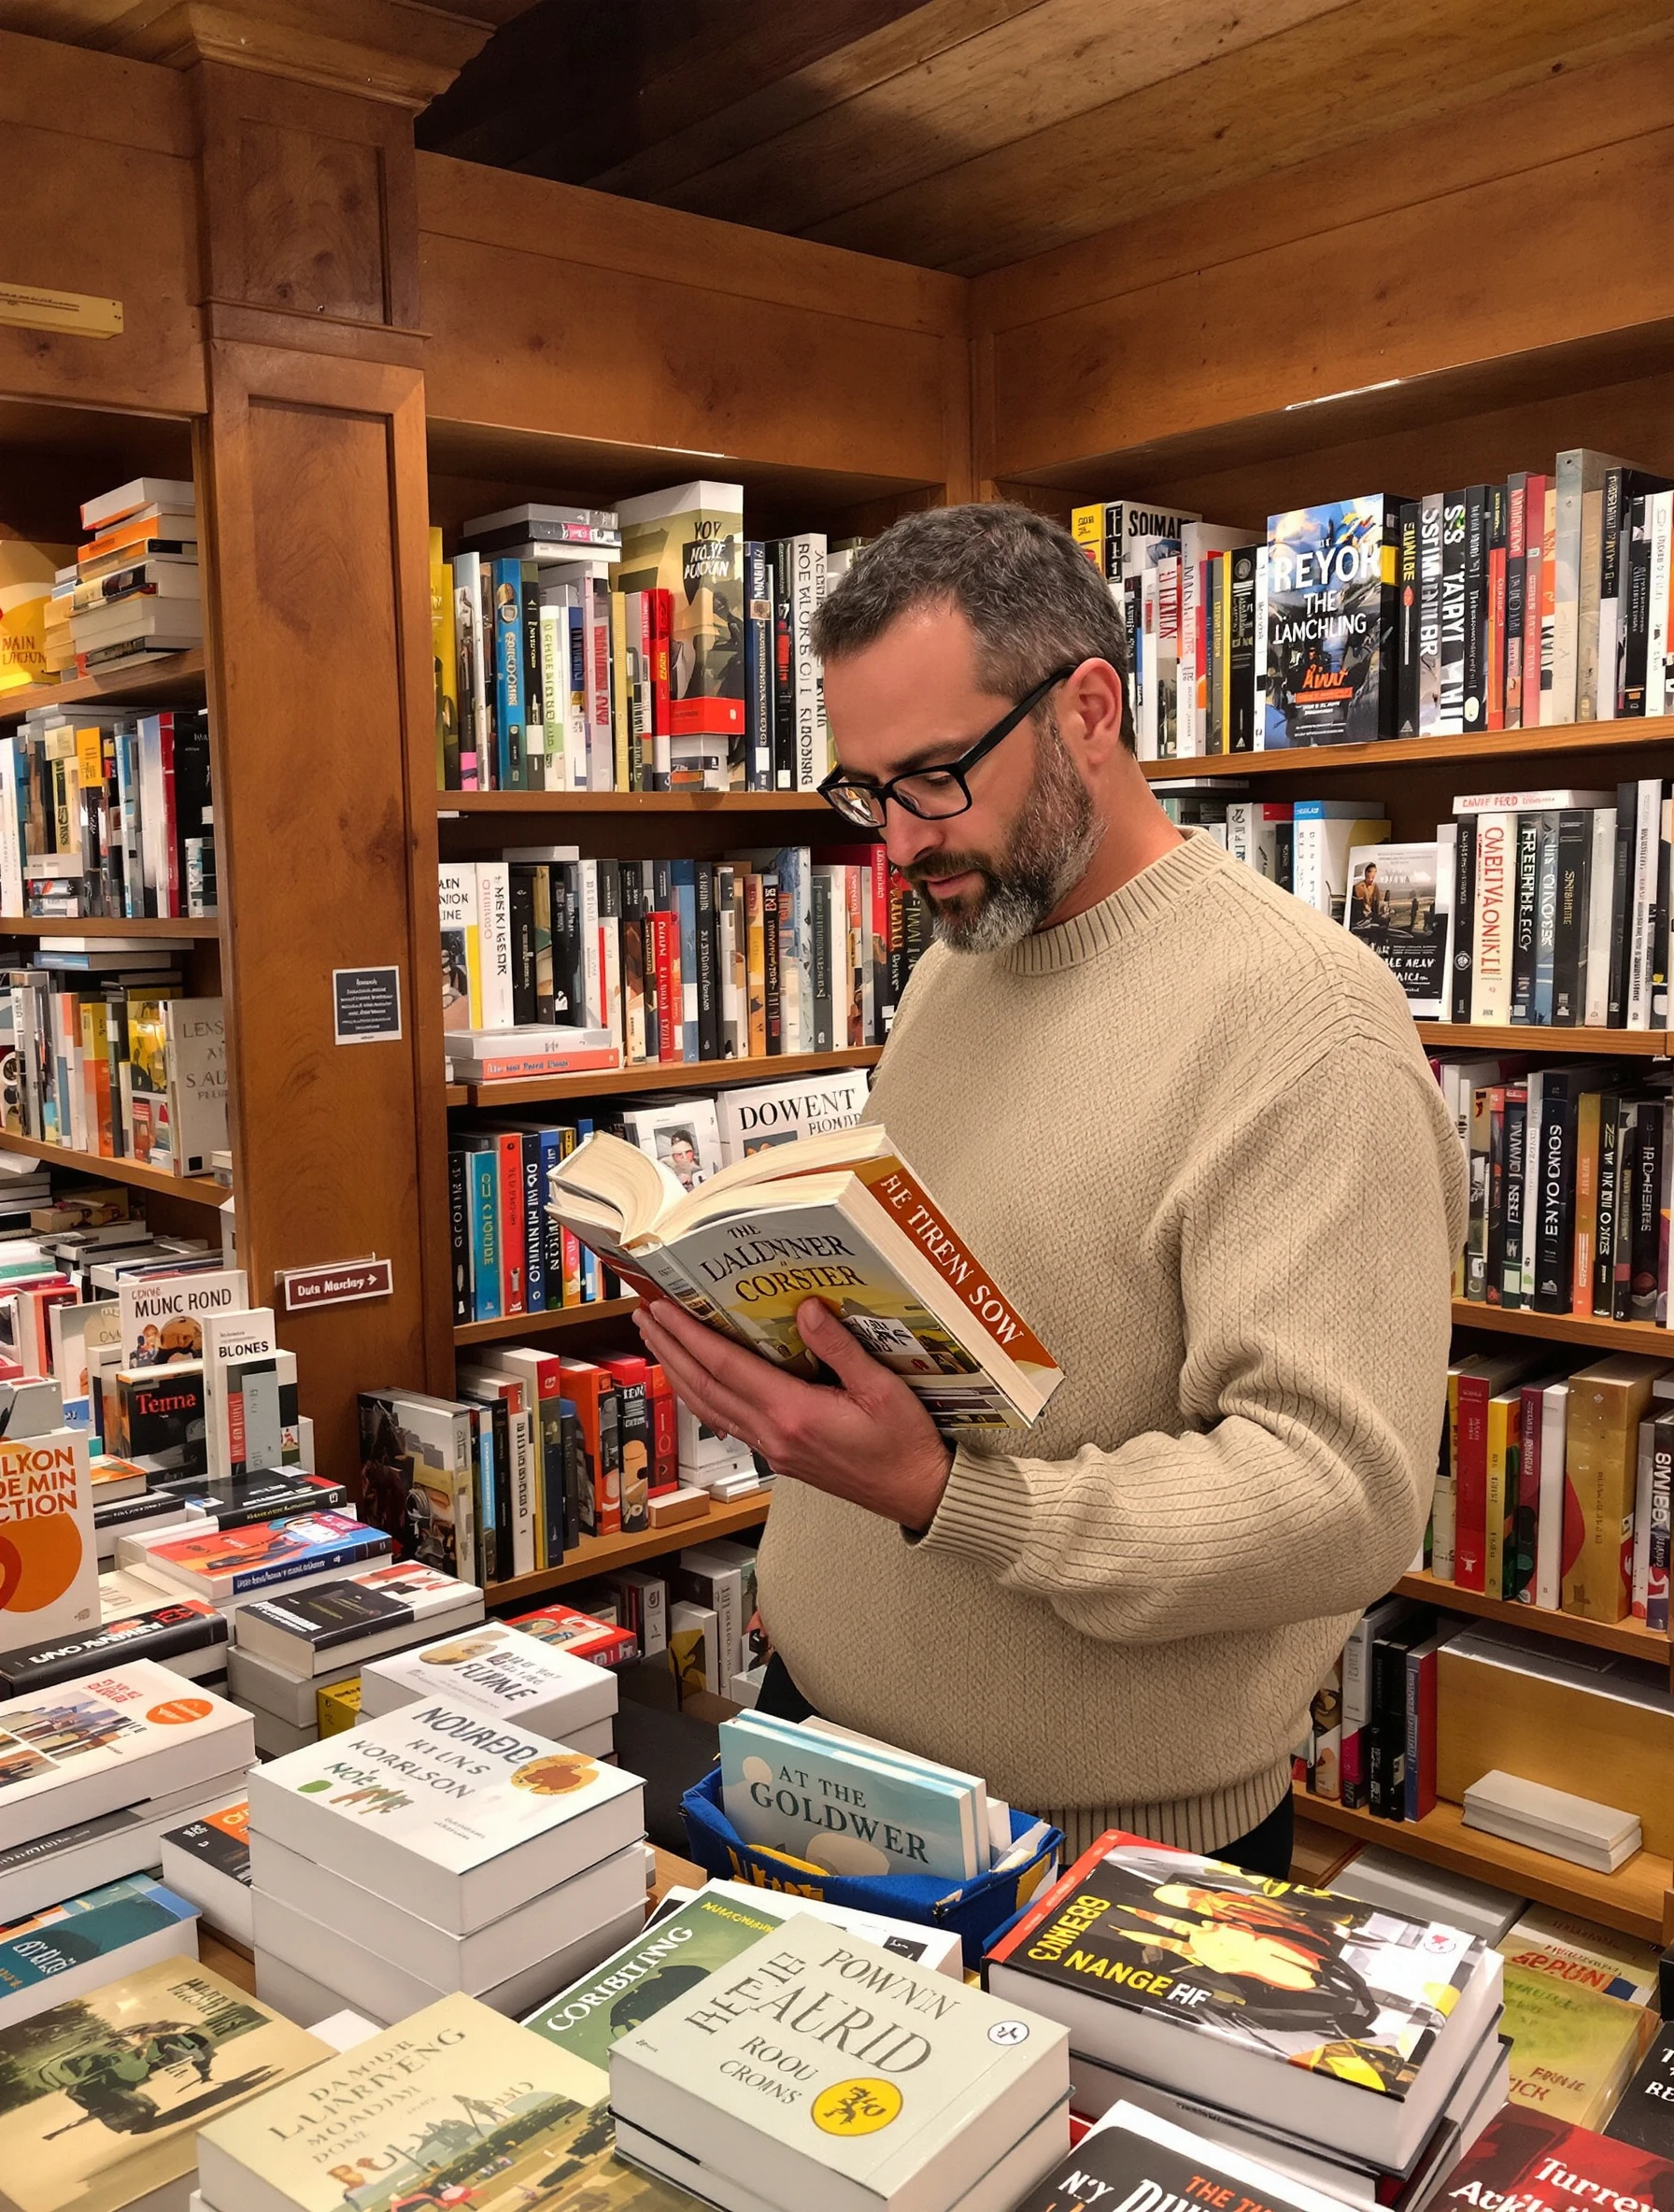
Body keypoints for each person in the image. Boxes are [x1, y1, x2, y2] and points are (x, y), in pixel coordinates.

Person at [634, 503, 1465, 1876]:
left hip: (1089, 1849)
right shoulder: (964, 958)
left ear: (1090, 709)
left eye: (935, 778)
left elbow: (1338, 1496)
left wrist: (955, 1501)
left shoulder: (1304, 1019)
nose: (898, 846)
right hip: (821, 1760)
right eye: (865, 793)